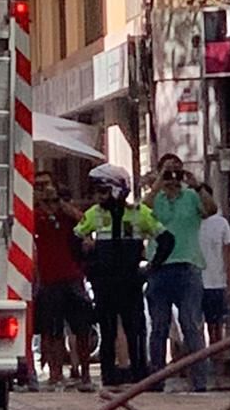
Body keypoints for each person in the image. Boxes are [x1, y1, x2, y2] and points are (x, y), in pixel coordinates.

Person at [74, 163, 173, 388]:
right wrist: (87, 266)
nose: (98, 196)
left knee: (135, 330)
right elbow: (74, 240)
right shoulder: (94, 214)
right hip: (105, 284)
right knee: (107, 332)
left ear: (118, 189)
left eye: (103, 190)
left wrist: (151, 268)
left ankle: (139, 376)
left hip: (130, 283)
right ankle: (109, 377)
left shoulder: (139, 214)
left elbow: (167, 240)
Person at [146, 153, 208, 392]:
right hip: (159, 268)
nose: (173, 177)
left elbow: (211, 210)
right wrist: (159, 181)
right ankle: (156, 380)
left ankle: (200, 381)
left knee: (191, 325)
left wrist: (197, 185)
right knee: (159, 326)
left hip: (187, 266)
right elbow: (144, 210)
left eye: (176, 172)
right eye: (168, 172)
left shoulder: (191, 196)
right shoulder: (155, 198)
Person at [33, 171, 93, 390]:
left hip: (72, 277)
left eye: (53, 198)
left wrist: (59, 204)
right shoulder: (36, 215)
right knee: (51, 331)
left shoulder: (67, 216)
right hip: (49, 280)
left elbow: (84, 220)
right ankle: (55, 375)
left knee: (81, 328)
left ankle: (85, 375)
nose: (50, 204)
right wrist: (40, 202)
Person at [198, 183, 230, 351]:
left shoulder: (221, 223)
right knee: (193, 328)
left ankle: (219, 369)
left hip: (216, 283)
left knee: (216, 328)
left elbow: (229, 253)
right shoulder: (189, 222)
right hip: (194, 283)